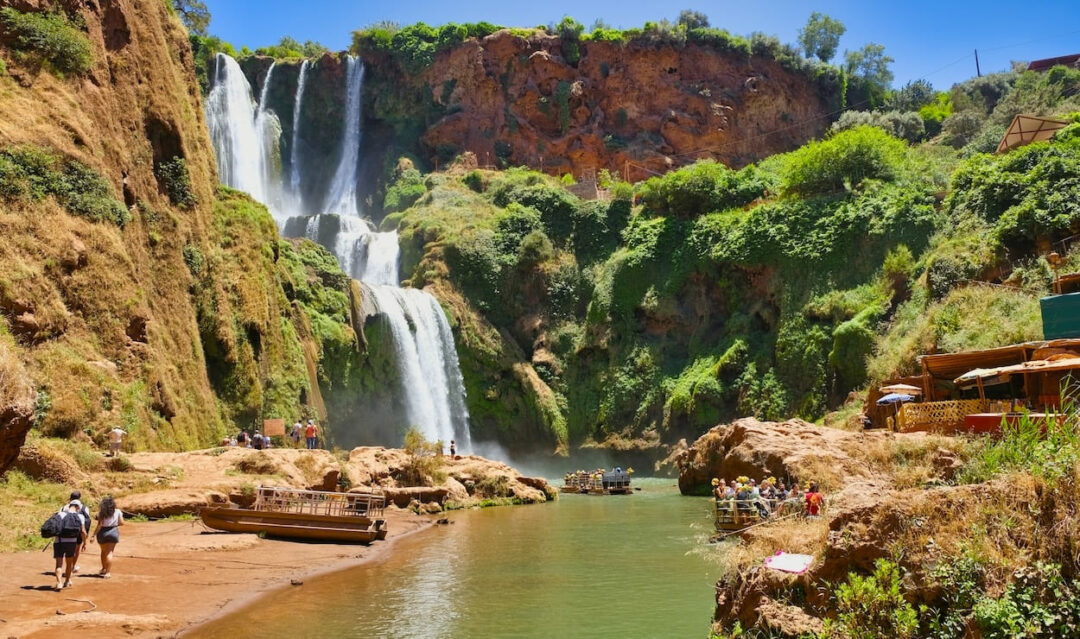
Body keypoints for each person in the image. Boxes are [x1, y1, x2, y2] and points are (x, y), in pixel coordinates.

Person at [53, 500, 87, 590]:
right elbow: (83, 531)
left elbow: (55, 527)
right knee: (69, 563)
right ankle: (67, 581)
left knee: (59, 564)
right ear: (78, 507)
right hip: (72, 542)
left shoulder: (61, 514)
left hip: (59, 541)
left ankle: (59, 582)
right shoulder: (80, 516)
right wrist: (84, 542)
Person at [91, 495, 123, 578]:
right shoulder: (118, 511)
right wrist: (115, 524)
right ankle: (108, 572)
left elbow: (99, 525)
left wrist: (93, 535)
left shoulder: (102, 513)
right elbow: (122, 522)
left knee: (103, 551)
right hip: (113, 531)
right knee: (109, 552)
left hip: (103, 533)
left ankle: (104, 568)